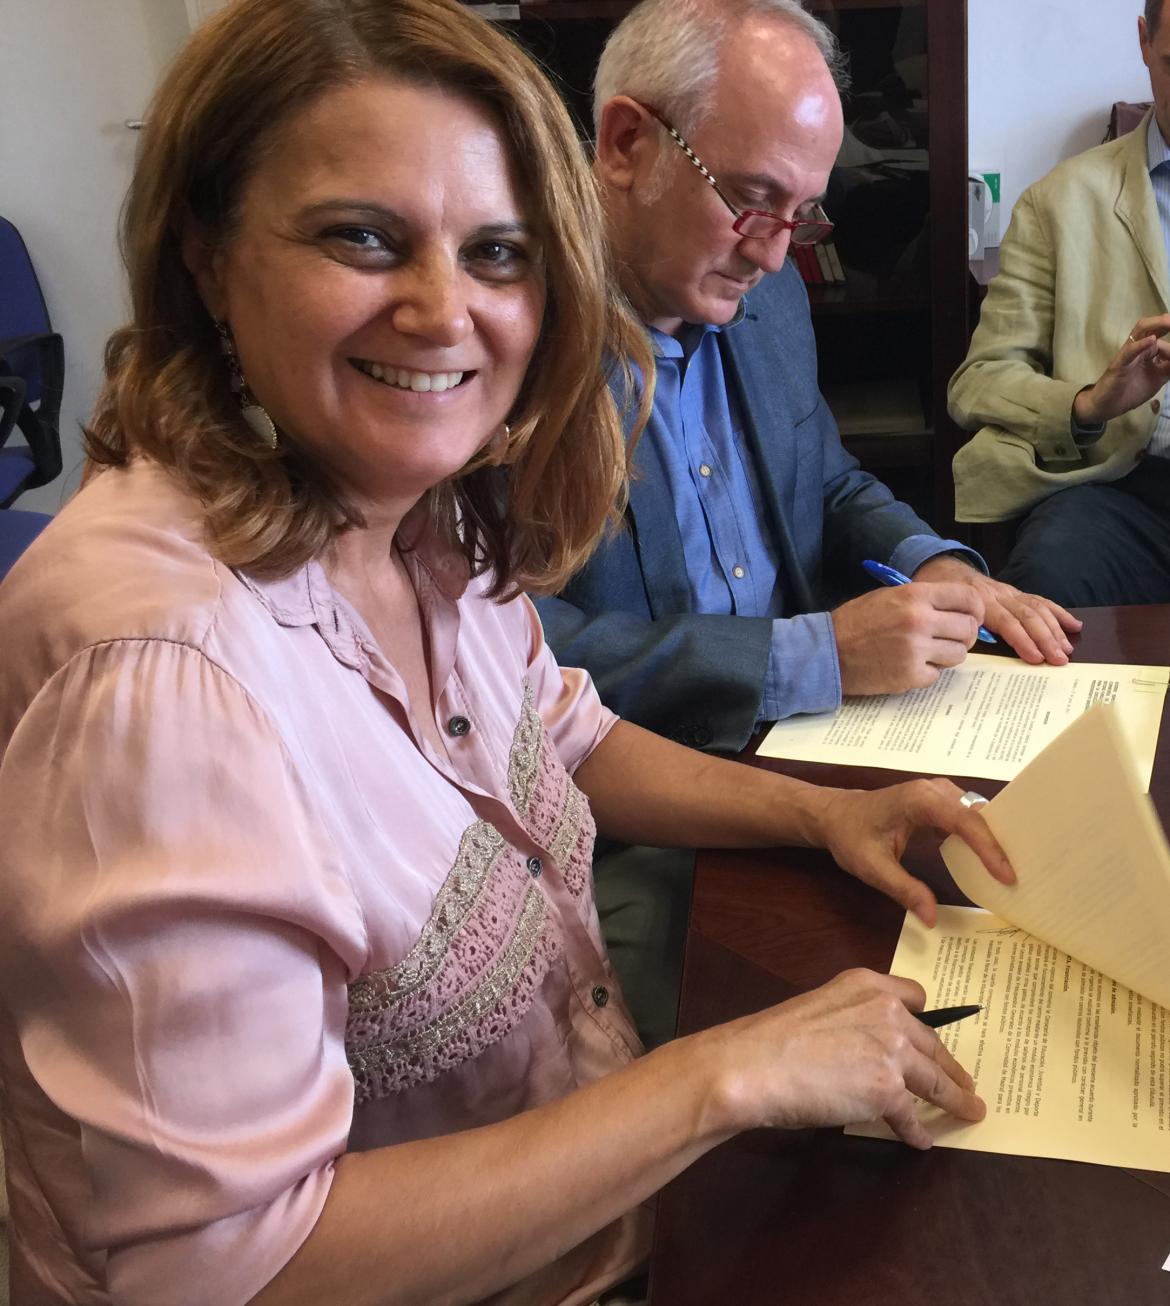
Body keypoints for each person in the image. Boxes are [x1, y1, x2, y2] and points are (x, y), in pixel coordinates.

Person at [0, 1, 1013, 1303]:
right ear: (206, 251)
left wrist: (818, 817)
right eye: (360, 236)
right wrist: (724, 1076)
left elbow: (564, 726)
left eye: (495, 251)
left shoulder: (417, 507)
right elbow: (224, 1267)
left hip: (583, 1197)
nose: (443, 309)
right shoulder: (158, 676)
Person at [531, 0, 1077, 1048]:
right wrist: (809, 651)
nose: (778, 255)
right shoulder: (507, 348)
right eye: (750, 199)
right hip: (631, 811)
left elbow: (825, 480)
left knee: (1003, 937)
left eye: (802, 213)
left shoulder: (761, 295)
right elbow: (514, 657)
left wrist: (934, 563)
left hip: (819, 753)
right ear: (627, 143)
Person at [949, 2, 1170, 606]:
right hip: (1121, 490)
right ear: (1145, 42)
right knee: (1049, 580)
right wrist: (1089, 402)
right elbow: (979, 381)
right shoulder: (1059, 202)